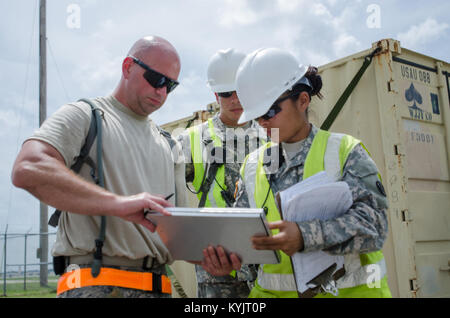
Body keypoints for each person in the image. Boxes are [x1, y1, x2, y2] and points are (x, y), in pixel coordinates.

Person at [202, 47, 392, 298]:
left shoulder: (345, 152)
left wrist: (306, 236)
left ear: (303, 100)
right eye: (257, 117)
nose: (263, 123)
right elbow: (245, 237)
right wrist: (229, 258)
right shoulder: (252, 166)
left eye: (269, 112)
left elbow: (375, 227)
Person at [11, 36, 187, 298]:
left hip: (157, 287)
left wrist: (208, 254)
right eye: (156, 79)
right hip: (96, 285)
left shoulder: (169, 143)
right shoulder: (86, 115)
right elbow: (28, 167)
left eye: (170, 85)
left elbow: (179, 234)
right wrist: (117, 204)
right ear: (128, 67)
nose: (162, 91)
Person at [177, 48, 265, 298]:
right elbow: (163, 192)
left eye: (240, 91)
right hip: (217, 267)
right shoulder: (191, 139)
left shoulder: (271, 132)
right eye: (227, 94)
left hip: (267, 260)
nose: (235, 99)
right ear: (216, 94)